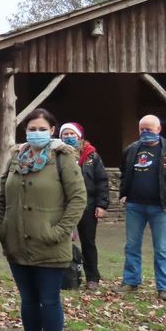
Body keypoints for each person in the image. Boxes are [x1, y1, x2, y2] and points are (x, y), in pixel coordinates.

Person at [0, 108, 86, 331]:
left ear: (52, 130)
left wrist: (59, 231)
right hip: (17, 243)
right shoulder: (17, 158)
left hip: (49, 244)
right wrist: (2, 227)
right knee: (28, 301)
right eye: (31, 129)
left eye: (41, 129)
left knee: (48, 301)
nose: (36, 133)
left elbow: (78, 198)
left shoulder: (62, 158)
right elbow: (2, 195)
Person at [118, 114, 166, 302]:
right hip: (135, 206)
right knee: (131, 246)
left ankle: (164, 288)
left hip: (160, 207)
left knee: (161, 248)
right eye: (142, 129)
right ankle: (131, 282)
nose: (145, 132)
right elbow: (124, 173)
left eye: (149, 129)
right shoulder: (131, 150)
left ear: (159, 129)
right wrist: (124, 193)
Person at [59, 122, 109, 289]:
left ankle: (92, 277)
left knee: (88, 242)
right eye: (65, 134)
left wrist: (102, 204)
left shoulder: (91, 155)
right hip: (63, 206)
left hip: (87, 205)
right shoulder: (56, 154)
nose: (68, 137)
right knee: (61, 240)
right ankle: (65, 277)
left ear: (79, 135)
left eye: (71, 134)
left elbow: (101, 180)